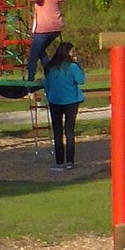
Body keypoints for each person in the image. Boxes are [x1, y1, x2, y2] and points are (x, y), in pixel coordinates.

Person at [43, 41, 85, 171]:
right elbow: (81, 80)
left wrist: (49, 95)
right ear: (68, 52)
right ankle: (70, 161)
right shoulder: (72, 67)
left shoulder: (50, 66)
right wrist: (79, 64)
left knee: (57, 132)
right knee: (69, 131)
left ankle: (59, 161)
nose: (74, 54)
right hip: (71, 101)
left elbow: (47, 84)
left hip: (55, 100)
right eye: (72, 52)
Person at [14, 0, 65, 80]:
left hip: (43, 30)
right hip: (56, 29)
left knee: (33, 57)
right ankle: (51, 76)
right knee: (41, 52)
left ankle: (30, 84)